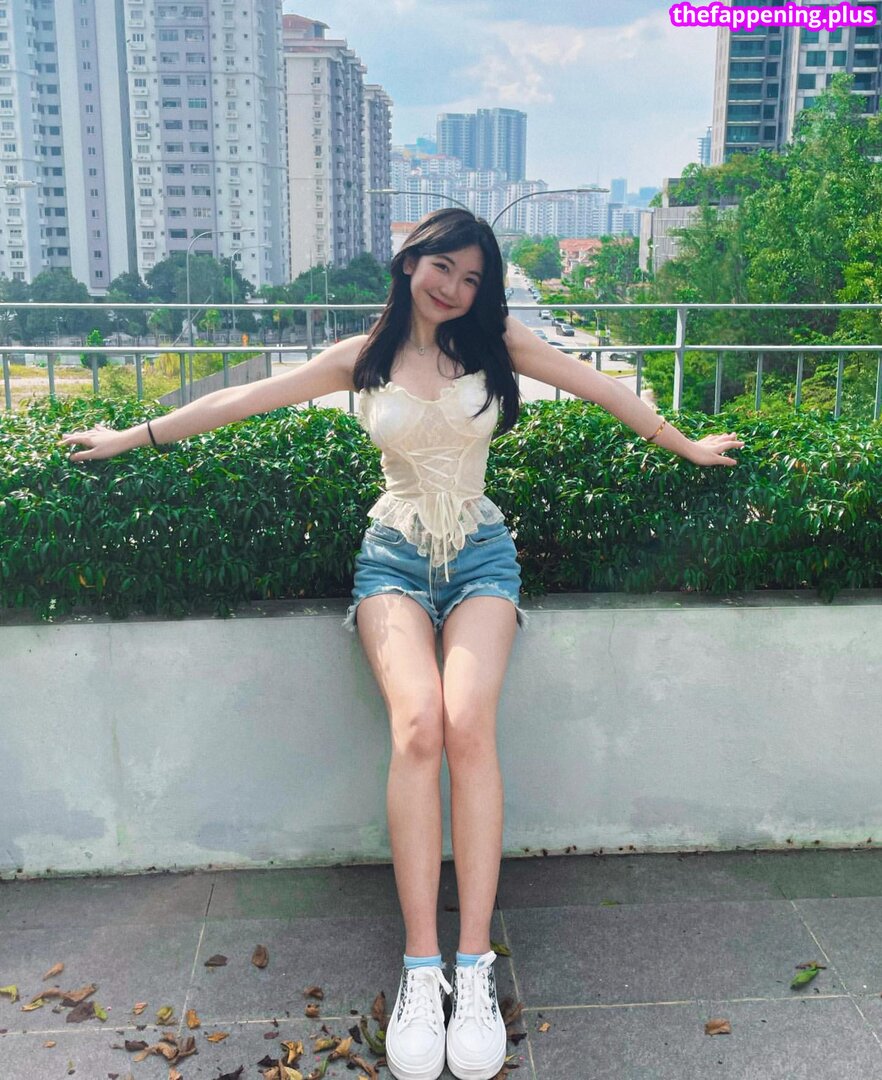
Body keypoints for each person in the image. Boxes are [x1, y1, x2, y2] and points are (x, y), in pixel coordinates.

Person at [62, 208, 744, 1080]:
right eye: (443, 268)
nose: (454, 288)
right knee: (418, 726)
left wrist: (687, 446)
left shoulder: (497, 342)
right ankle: (423, 970)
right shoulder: (364, 355)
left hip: (482, 558)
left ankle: (474, 966)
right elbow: (238, 401)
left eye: (472, 277)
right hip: (393, 558)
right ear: (411, 261)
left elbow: (601, 387)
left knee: (467, 724)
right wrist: (129, 438)